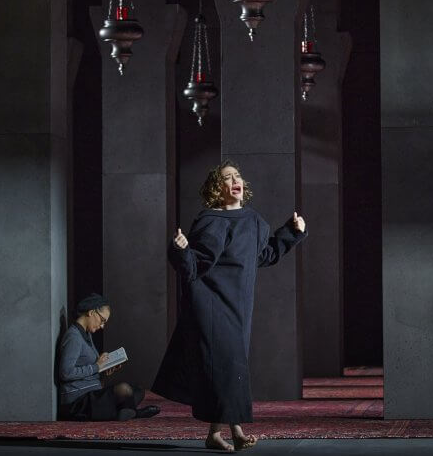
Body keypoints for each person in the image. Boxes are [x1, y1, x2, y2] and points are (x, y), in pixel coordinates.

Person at [152, 161, 307, 452]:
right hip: (209, 304)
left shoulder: (255, 221)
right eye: (227, 178)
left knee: (228, 367)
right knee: (227, 364)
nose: (235, 180)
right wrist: (182, 250)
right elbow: (193, 268)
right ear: (217, 188)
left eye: (237, 176)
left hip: (237, 305)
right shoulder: (210, 220)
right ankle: (234, 430)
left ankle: (216, 434)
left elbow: (265, 255)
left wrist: (292, 232)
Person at [57, 293, 161, 421]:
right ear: (91, 312)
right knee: (124, 389)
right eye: (102, 320)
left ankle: (125, 412)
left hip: (92, 394)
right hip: (77, 401)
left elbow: (88, 369)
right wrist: (97, 366)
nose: (102, 326)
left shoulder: (85, 334)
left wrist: (104, 368)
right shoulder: (73, 337)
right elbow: (65, 373)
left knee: (138, 391)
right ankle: (132, 413)